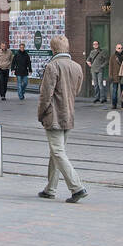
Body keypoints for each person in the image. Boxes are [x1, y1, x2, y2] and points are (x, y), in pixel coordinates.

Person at [37, 35, 87, 203]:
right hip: (69, 114)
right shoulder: (77, 67)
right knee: (56, 152)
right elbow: (77, 90)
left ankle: (76, 187)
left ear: (53, 49)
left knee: (58, 152)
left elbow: (45, 95)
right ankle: (50, 189)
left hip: (54, 116)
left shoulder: (53, 66)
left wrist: (41, 113)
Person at [107, 43, 123, 109]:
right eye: (118, 48)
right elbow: (110, 67)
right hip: (115, 76)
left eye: (121, 48)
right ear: (116, 49)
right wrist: (110, 75)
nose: (120, 49)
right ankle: (114, 104)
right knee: (114, 91)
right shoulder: (113, 57)